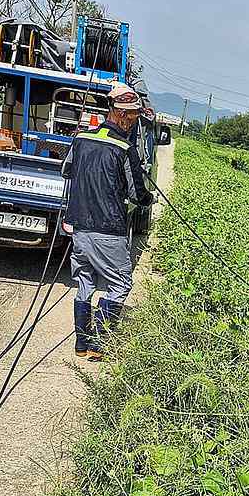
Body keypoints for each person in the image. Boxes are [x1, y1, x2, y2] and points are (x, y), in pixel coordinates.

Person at [61, 82, 154, 360]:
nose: (135, 122)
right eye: (135, 117)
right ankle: (100, 343)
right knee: (121, 283)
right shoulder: (125, 148)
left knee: (85, 284)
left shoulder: (81, 139)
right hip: (108, 229)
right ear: (122, 115)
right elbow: (138, 194)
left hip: (79, 228)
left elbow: (67, 171)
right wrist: (149, 200)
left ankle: (81, 344)